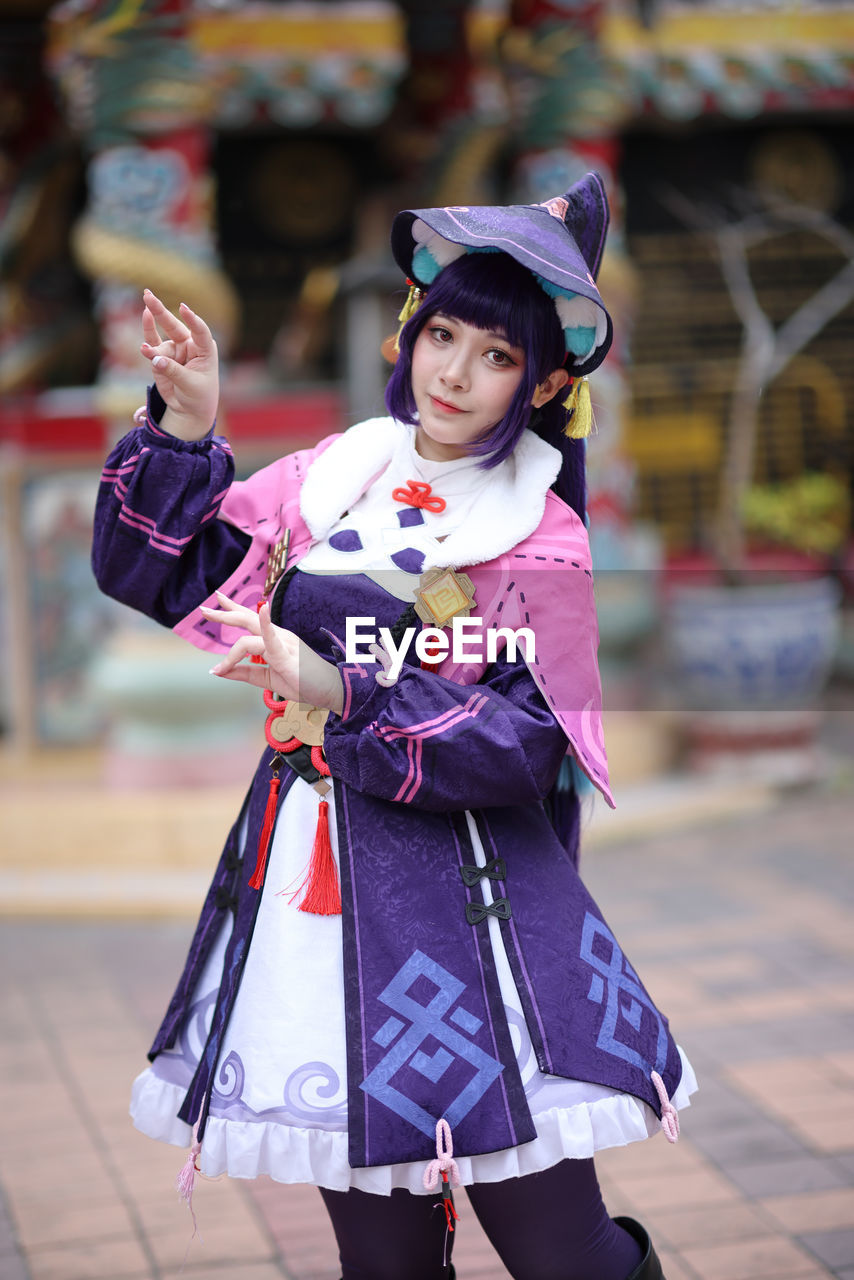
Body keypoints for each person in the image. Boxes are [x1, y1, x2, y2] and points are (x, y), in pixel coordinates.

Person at [93, 171, 696, 1280]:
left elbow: (525, 740)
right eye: (443, 334)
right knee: (384, 1263)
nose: (455, 373)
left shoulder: (536, 530)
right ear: (409, 332)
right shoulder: (338, 471)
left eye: (497, 355)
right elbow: (165, 571)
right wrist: (184, 426)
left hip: (476, 918)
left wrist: (344, 688)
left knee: (564, 1255)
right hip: (313, 898)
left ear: (543, 380)